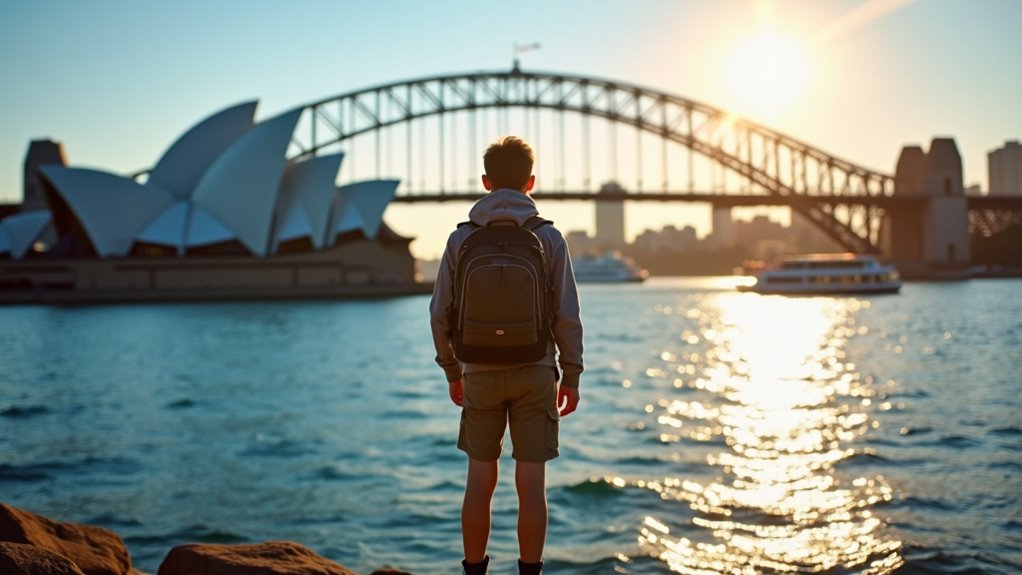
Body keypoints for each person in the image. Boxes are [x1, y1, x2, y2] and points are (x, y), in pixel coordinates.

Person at [429, 136, 584, 575]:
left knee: (479, 483)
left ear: (485, 182)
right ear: (531, 183)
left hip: (477, 371)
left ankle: (474, 571)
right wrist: (570, 376)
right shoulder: (548, 237)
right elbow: (567, 314)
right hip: (536, 370)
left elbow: (438, 313)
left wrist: (452, 371)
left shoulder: (461, 239)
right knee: (531, 486)